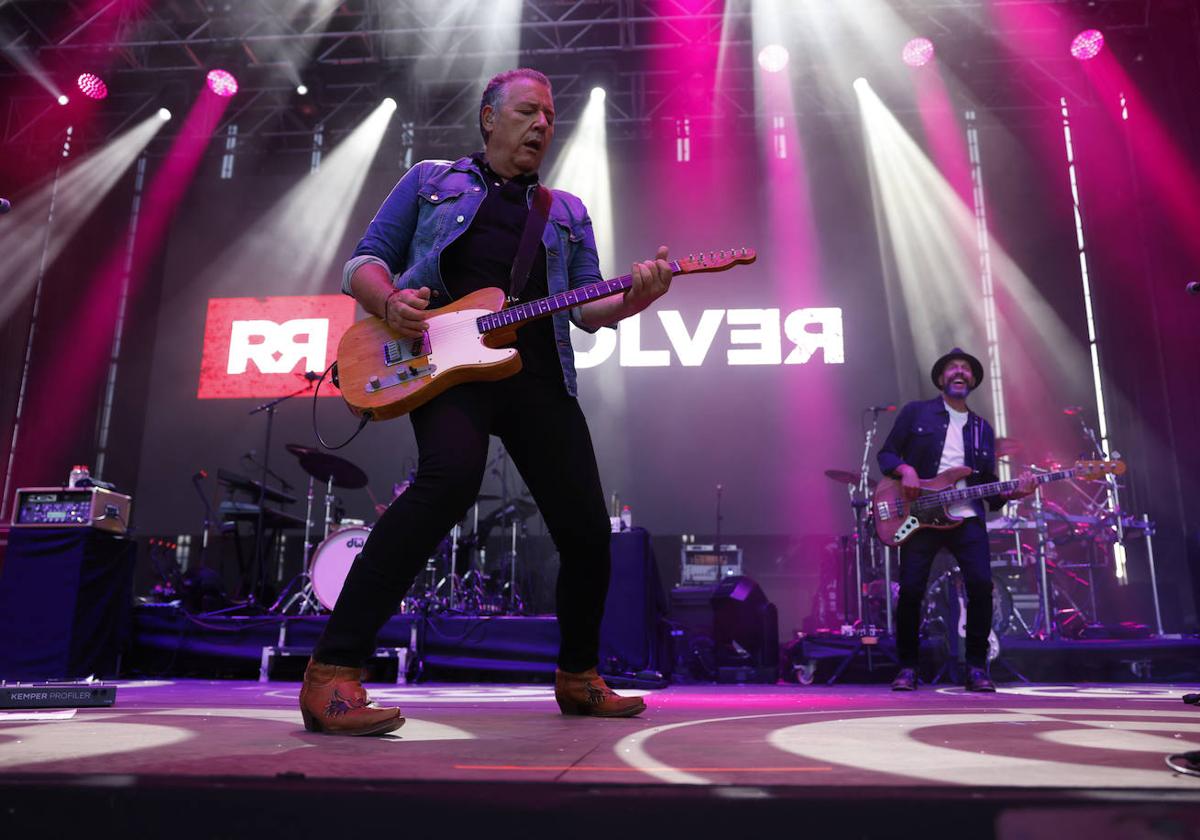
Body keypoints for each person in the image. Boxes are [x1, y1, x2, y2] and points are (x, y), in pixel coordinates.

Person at [298, 68, 674, 735]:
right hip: (445, 362)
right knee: (447, 482)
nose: (541, 126)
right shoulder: (429, 180)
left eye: (550, 117)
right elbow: (363, 262)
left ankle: (579, 676)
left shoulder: (566, 212)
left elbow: (590, 311)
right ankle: (333, 670)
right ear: (488, 117)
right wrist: (390, 301)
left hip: (535, 375)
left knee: (588, 531)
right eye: (528, 112)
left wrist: (637, 296)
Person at [876, 348, 1035, 693]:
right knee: (911, 591)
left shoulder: (981, 429)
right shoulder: (916, 413)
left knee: (980, 587)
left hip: (966, 518)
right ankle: (907, 667)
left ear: (973, 381)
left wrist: (1013, 493)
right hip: (920, 516)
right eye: (953, 368)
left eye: (966, 369)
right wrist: (906, 470)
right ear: (941, 378)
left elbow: (986, 487)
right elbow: (886, 454)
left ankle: (976, 668)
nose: (960, 372)